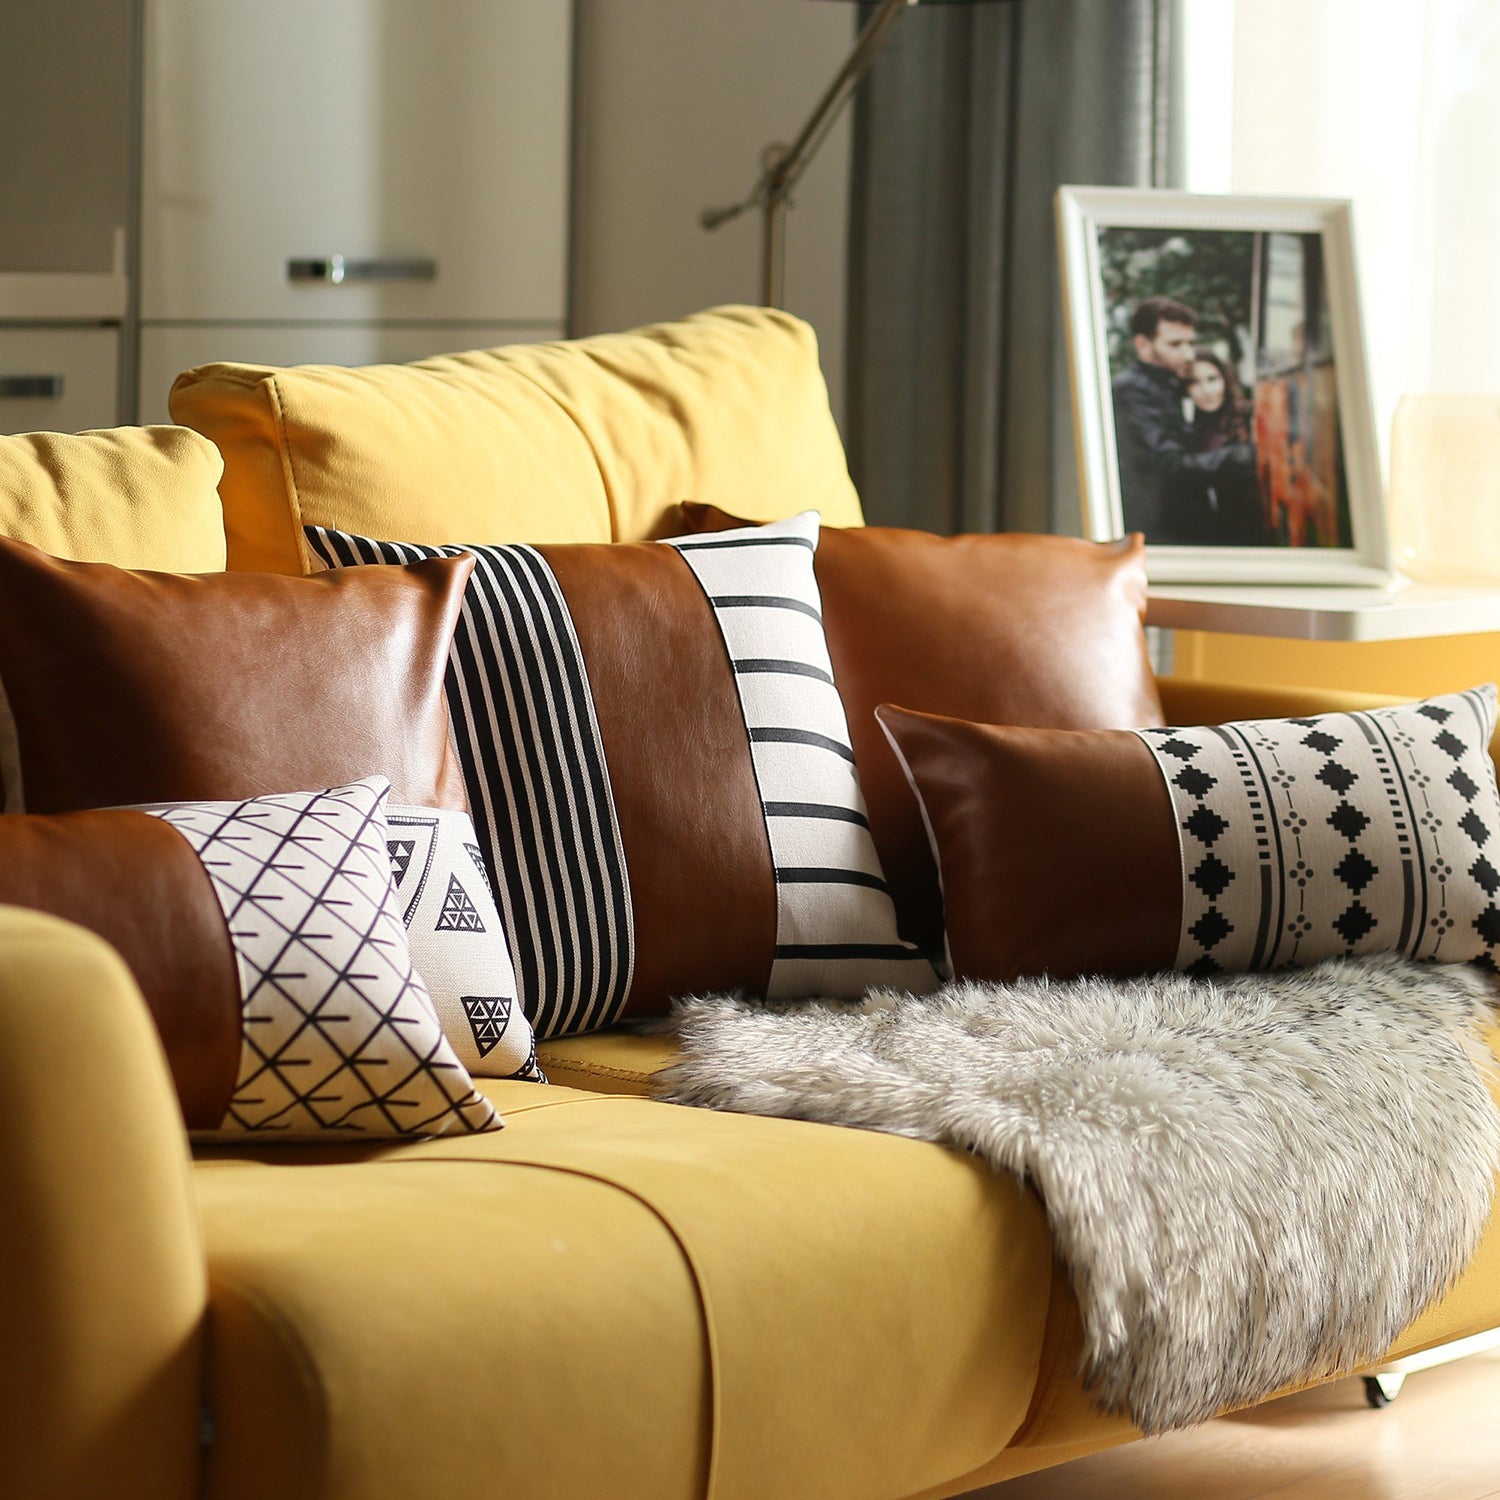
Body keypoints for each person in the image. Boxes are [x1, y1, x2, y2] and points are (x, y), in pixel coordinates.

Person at [1111, 297, 1256, 545]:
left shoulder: (1168, 383)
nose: (1188, 354)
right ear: (1144, 345)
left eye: (1191, 343)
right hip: (1163, 532)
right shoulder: (1133, 391)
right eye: (1176, 344)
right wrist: (1244, 455)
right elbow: (1170, 464)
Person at [1187, 351, 1269, 545]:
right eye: (1194, 383)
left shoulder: (1250, 416)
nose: (1206, 390)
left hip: (1258, 528)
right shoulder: (1188, 429)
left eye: (1212, 379)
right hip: (1217, 535)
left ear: (1225, 379)